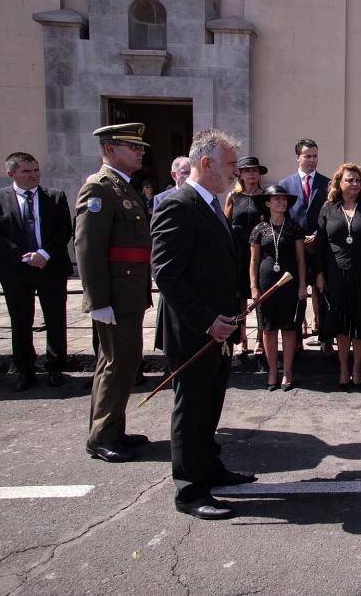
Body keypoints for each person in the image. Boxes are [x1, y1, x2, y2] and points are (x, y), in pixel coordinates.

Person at [151, 128, 256, 520]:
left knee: (210, 402)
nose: (236, 172)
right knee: (191, 408)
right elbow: (167, 273)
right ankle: (190, 490)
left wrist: (229, 317)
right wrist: (207, 321)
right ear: (207, 163)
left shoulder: (213, 204)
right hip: (194, 329)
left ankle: (209, 467)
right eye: (230, 165)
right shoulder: (179, 204)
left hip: (220, 326)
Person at [75, 124, 153, 462]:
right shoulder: (99, 188)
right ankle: (102, 436)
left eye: (140, 147)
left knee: (124, 362)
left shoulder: (123, 186)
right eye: (131, 146)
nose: (140, 152)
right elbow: (88, 248)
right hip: (115, 294)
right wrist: (99, 301)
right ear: (110, 148)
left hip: (129, 291)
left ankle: (112, 429)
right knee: (116, 363)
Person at [0, 152, 73, 390]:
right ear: (11, 173)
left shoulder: (54, 197)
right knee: (21, 321)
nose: (33, 175)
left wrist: (44, 254)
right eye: (26, 171)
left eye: (36, 170)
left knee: (55, 319)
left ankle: (55, 367)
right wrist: (25, 256)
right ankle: (25, 370)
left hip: (50, 267)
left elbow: (65, 229)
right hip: (16, 271)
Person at [315, 163, 361, 390]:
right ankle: (343, 369)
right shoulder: (328, 208)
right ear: (339, 183)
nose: (354, 184)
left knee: (360, 323)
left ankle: (357, 370)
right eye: (349, 180)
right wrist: (318, 273)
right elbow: (320, 244)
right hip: (336, 275)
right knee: (341, 323)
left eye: (358, 180)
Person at [250, 185, 306, 391]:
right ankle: (272, 370)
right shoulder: (259, 230)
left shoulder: (294, 228)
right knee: (268, 329)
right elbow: (253, 261)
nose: (281, 202)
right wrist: (253, 287)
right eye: (276, 199)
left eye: (284, 200)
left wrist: (302, 285)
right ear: (267, 203)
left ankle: (288, 371)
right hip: (266, 286)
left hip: (289, 286)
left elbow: (301, 260)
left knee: (289, 329)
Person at [279, 139, 329, 345]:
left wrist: (317, 236)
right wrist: (298, 238)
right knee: (296, 296)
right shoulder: (285, 185)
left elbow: (330, 215)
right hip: (294, 249)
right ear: (298, 157)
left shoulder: (328, 183)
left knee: (323, 293)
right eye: (307, 156)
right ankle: (296, 339)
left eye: (315, 156)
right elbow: (284, 216)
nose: (312, 160)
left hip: (319, 249)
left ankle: (325, 337)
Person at [225, 155, 266, 357]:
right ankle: (242, 337)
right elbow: (225, 226)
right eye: (247, 170)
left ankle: (260, 338)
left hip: (261, 253)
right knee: (240, 298)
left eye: (254, 170)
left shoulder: (265, 196)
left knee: (259, 296)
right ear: (240, 174)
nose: (251, 174)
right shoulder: (233, 197)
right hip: (239, 253)